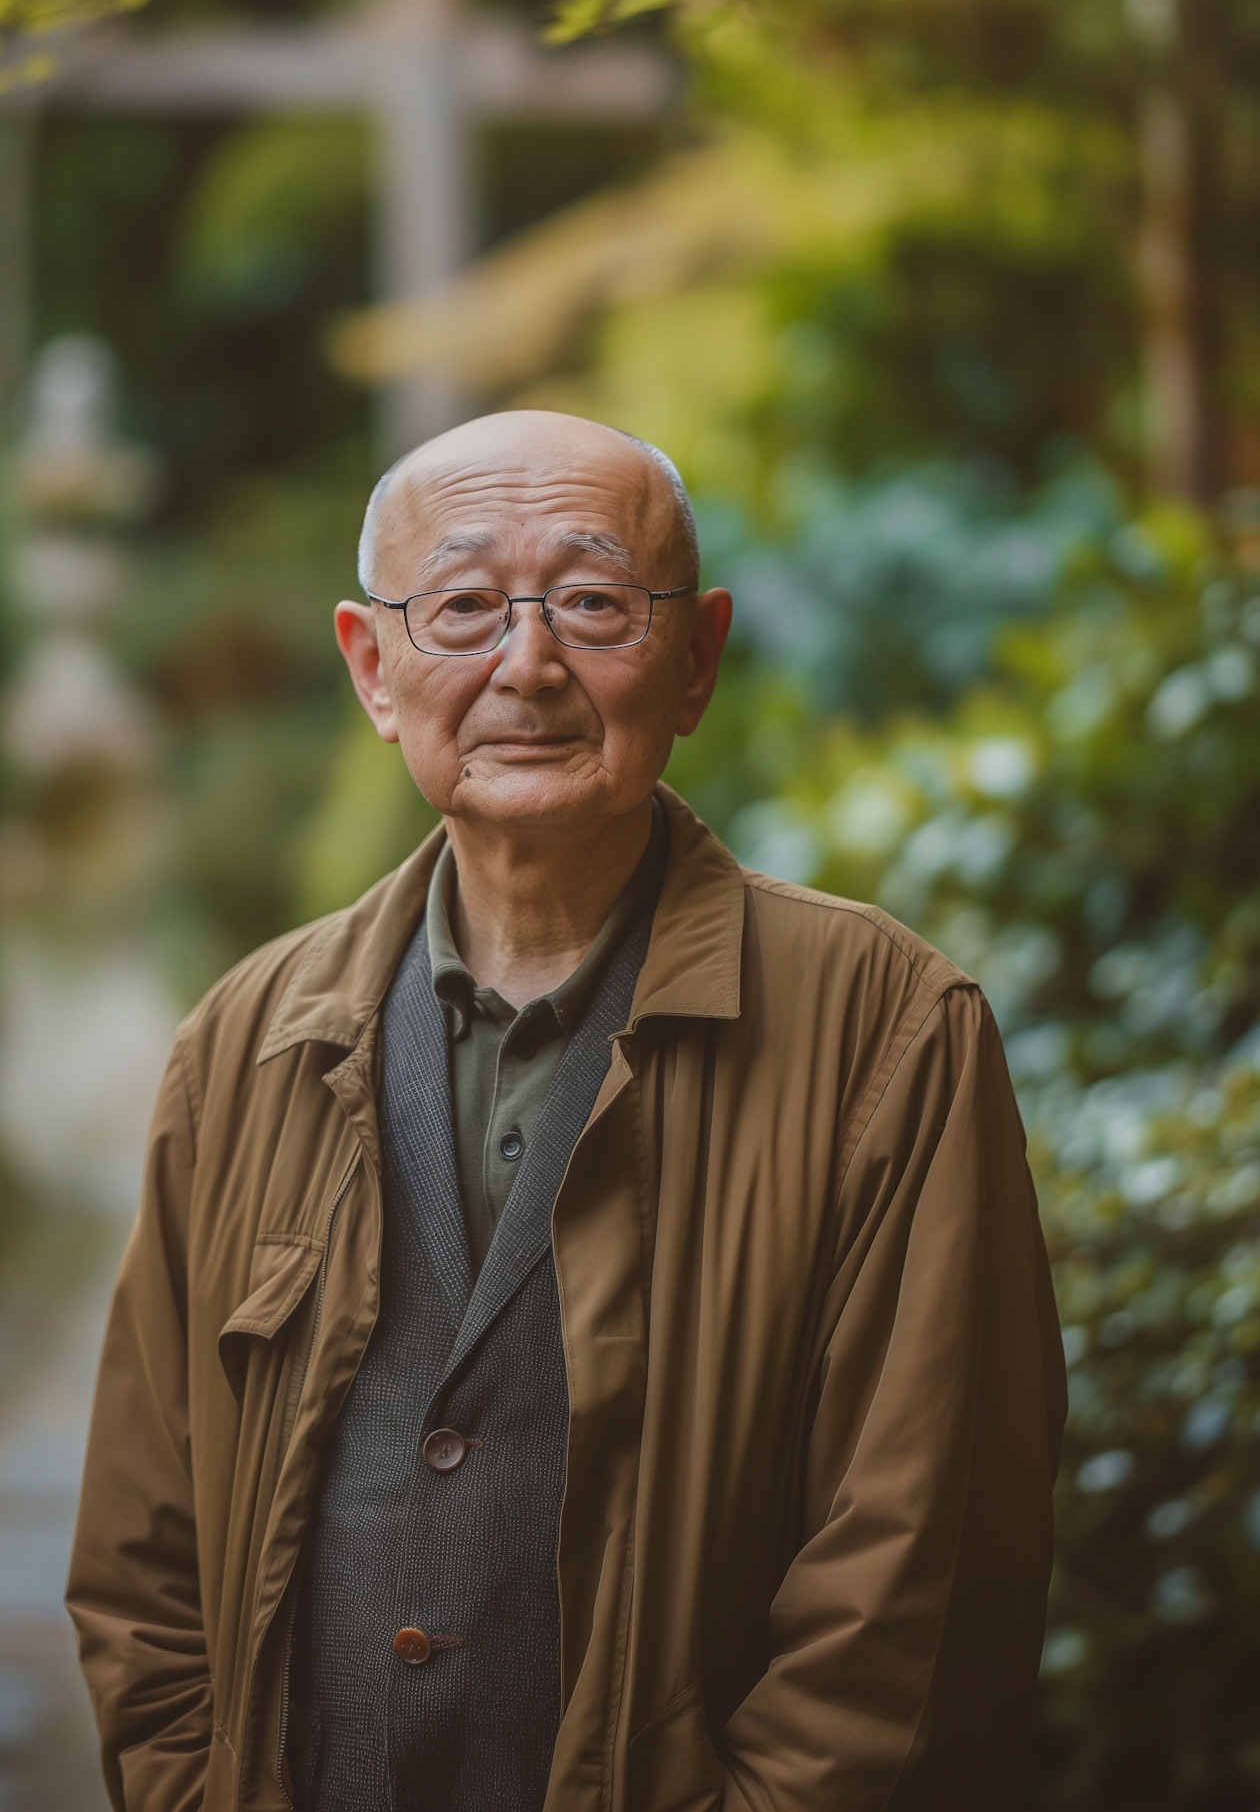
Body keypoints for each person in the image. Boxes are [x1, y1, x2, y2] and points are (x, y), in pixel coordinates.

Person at [67, 408, 1066, 1812]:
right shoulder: (240, 1048)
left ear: (697, 655)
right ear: (372, 663)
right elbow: (139, 1560)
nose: (526, 663)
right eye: (464, 605)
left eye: (594, 601)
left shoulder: (886, 1035)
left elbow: (924, 1583)